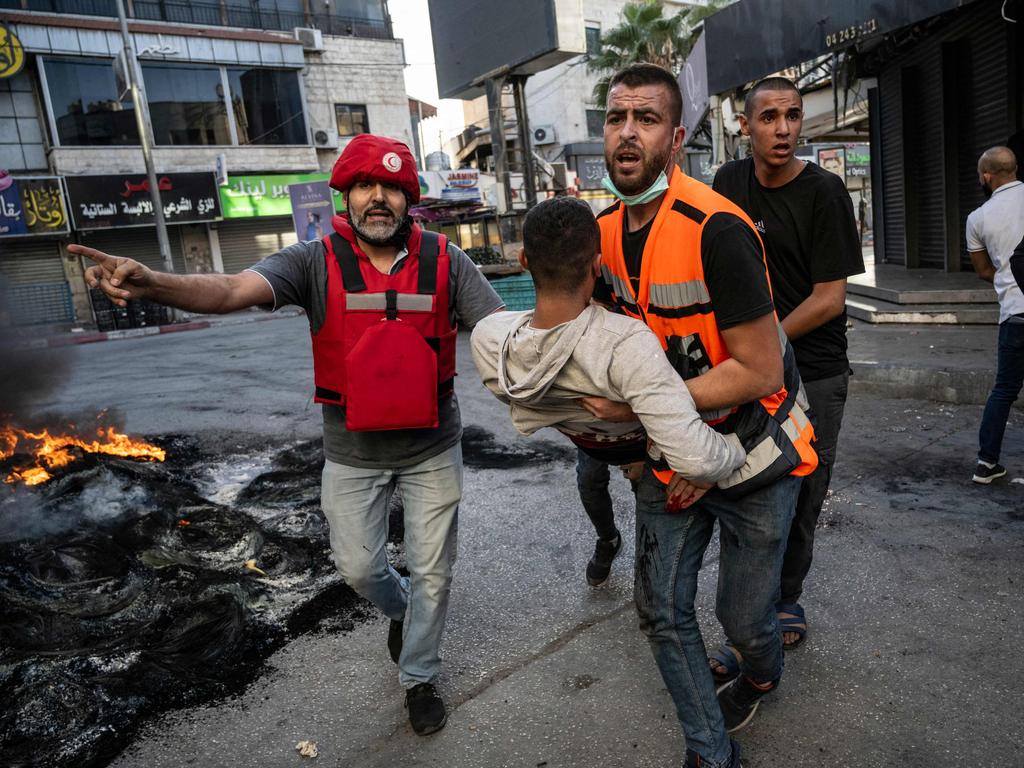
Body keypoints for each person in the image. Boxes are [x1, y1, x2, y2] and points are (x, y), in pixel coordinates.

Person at [71, 134, 504, 736]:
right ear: (345, 197)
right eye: (364, 187)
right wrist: (152, 283)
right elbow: (227, 291)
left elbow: (503, 332)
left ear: (410, 199)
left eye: (392, 188)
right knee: (358, 568)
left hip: (433, 446)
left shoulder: (447, 260)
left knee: (435, 569)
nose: (378, 199)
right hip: (352, 452)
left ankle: (419, 676)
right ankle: (404, 609)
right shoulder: (310, 260)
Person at [585, 63, 817, 768]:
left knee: (745, 620)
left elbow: (758, 369)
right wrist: (646, 449)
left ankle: (760, 667)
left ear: (676, 137)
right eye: (616, 117)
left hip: (755, 452)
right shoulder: (599, 233)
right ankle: (710, 753)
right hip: (672, 455)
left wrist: (671, 432)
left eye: (646, 118)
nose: (628, 132)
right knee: (660, 610)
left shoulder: (718, 227)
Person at [712, 76, 864, 659]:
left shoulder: (825, 193)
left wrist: (765, 340)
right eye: (769, 117)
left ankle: (785, 598)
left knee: (806, 488)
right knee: (746, 487)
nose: (783, 129)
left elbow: (831, 297)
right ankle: (749, 606)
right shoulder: (728, 183)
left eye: (793, 116)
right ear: (744, 126)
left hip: (817, 368)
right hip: (745, 367)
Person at [471, 195, 748, 510]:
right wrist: (736, 448)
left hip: (600, 446)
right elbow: (700, 461)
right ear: (598, 265)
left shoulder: (488, 339)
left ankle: (607, 540)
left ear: (523, 260)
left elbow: (513, 328)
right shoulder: (626, 344)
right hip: (651, 449)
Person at [965, 146, 1024, 484]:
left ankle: (986, 464)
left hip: (1014, 315)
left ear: (986, 176)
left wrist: (1007, 276)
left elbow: (983, 270)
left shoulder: (979, 218)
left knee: (1004, 390)